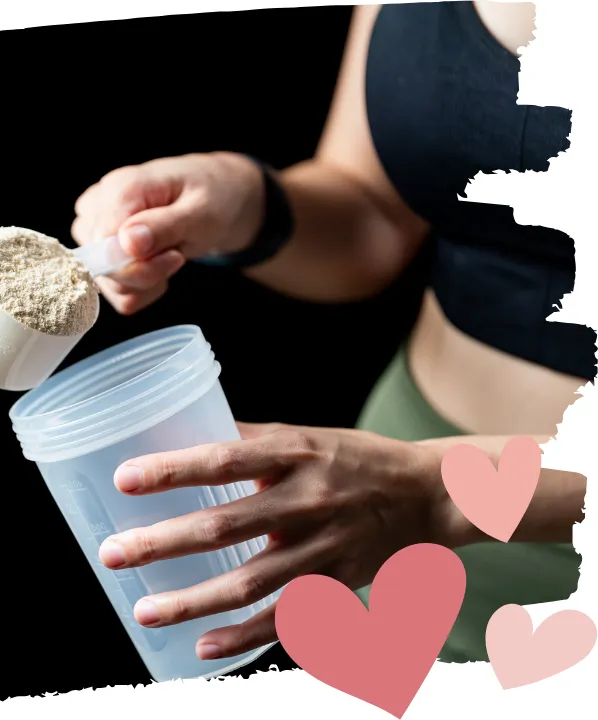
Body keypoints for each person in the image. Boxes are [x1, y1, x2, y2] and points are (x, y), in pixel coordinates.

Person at [70, 1, 589, 664]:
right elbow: (372, 213)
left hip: (515, 527)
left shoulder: (417, 493)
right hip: (395, 487)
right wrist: (249, 206)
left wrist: (441, 493)